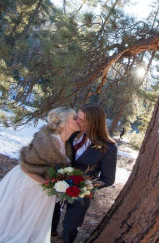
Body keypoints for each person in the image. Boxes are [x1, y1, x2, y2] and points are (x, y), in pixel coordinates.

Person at [0, 107, 78, 243]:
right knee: (13, 221)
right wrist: (51, 185)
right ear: (64, 121)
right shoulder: (50, 140)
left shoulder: (65, 143)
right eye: (74, 118)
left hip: (41, 190)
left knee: (28, 223)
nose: (78, 120)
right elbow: (26, 168)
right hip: (27, 184)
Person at [51, 103, 117, 243]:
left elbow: (108, 178)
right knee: (50, 215)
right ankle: (50, 233)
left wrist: (84, 187)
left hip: (80, 192)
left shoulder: (109, 147)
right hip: (58, 184)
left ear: (93, 122)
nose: (77, 121)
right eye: (77, 117)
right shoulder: (71, 133)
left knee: (70, 227)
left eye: (81, 119)